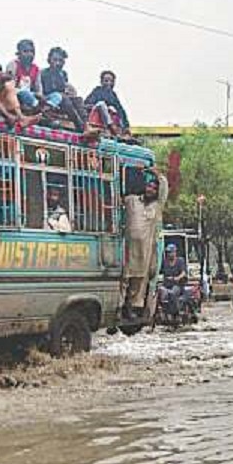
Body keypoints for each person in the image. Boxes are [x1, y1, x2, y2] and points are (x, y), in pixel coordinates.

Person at [122, 167, 168, 319]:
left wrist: (156, 173)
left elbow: (164, 189)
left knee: (140, 279)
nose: (151, 190)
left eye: (154, 188)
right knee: (125, 277)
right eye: (149, 186)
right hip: (129, 248)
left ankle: (133, 307)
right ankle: (119, 306)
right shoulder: (132, 201)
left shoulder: (157, 206)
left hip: (146, 250)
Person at [40, 47, 86, 131]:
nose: (58, 63)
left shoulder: (63, 74)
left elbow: (64, 88)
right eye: (55, 60)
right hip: (49, 100)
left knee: (78, 100)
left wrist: (69, 93)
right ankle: (80, 125)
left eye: (60, 60)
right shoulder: (44, 73)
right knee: (63, 97)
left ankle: (86, 124)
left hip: (62, 102)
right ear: (49, 60)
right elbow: (45, 90)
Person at [84, 70, 130, 137]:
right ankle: (110, 126)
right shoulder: (97, 91)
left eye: (111, 81)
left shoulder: (113, 95)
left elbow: (121, 110)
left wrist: (126, 126)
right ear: (101, 82)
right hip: (96, 117)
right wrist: (105, 108)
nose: (109, 83)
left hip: (110, 119)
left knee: (118, 111)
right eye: (106, 81)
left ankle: (121, 131)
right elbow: (86, 105)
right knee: (101, 104)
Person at [5, 39, 43, 113]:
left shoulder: (36, 69)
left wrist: (38, 94)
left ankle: (37, 106)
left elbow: (38, 88)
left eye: (32, 51)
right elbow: (9, 85)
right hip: (15, 94)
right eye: (25, 51)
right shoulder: (13, 65)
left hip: (30, 95)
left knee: (55, 96)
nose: (29, 54)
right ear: (19, 53)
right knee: (23, 93)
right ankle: (38, 108)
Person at [160, 243, 189, 317]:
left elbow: (183, 272)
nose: (169, 254)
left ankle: (175, 311)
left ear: (175, 252)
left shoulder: (180, 261)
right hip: (166, 285)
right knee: (160, 293)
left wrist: (177, 278)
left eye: (171, 252)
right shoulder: (165, 262)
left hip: (177, 285)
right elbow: (161, 272)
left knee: (173, 292)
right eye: (168, 252)